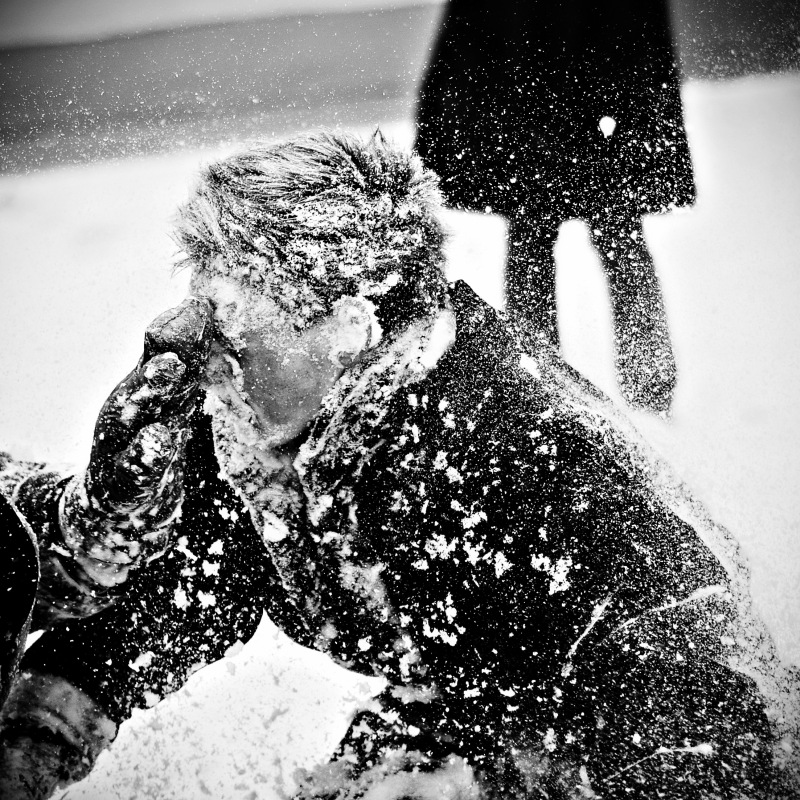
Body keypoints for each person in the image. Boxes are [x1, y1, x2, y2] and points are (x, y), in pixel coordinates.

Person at [1, 131, 797, 800]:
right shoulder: (257, 424)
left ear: (352, 323)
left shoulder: (528, 456)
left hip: (606, 736)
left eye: (234, 318)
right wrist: (43, 725)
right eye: (202, 307)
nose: (202, 344)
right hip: (466, 703)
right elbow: (191, 583)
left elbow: (696, 693)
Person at [415, 0, 695, 414]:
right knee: (606, 242)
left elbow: (476, 31)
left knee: (566, 242)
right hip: (560, 94)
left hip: (550, 96)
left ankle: (548, 381)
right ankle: (568, 382)